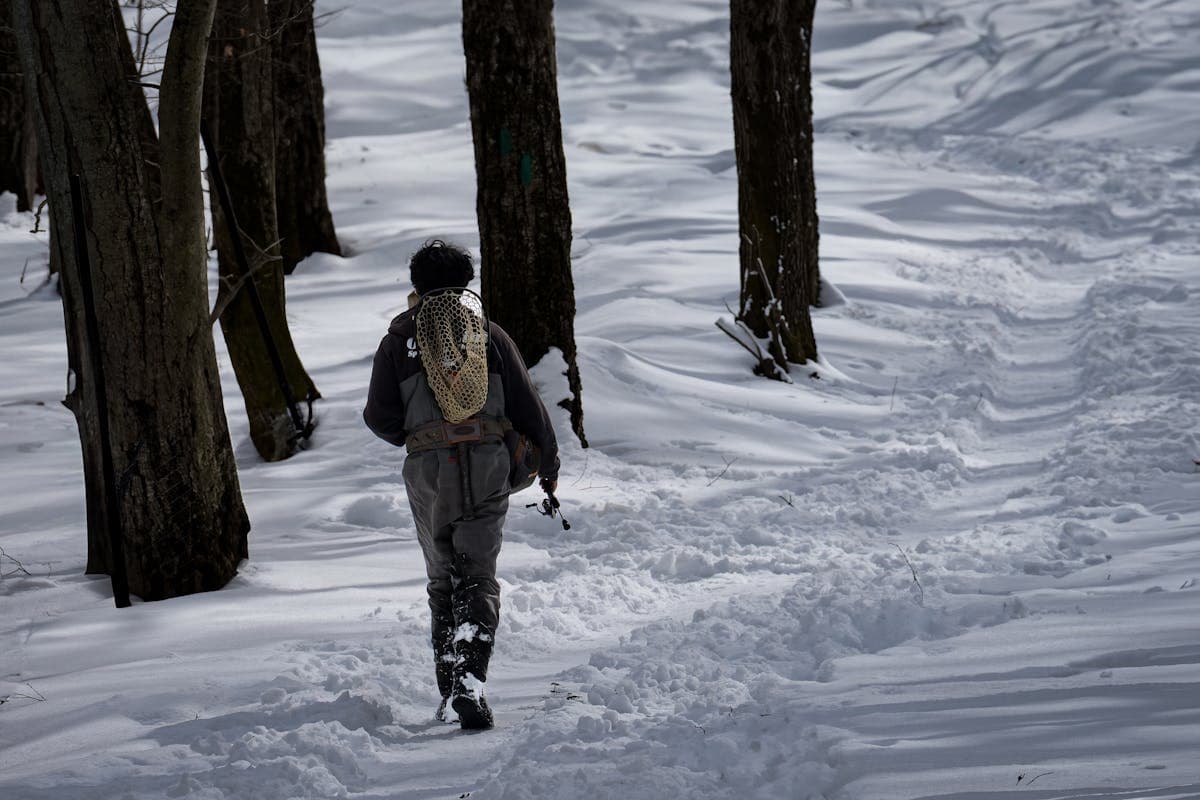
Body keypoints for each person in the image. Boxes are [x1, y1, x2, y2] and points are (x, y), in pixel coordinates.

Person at [363, 239, 560, 730]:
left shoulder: (398, 340)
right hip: (487, 460)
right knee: (477, 575)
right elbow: (529, 407)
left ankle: (450, 689)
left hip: (427, 470)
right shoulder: (488, 334)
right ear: (467, 282)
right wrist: (548, 464)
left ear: (417, 285)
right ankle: (469, 684)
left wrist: (418, 435)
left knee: (441, 579)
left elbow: (379, 416)